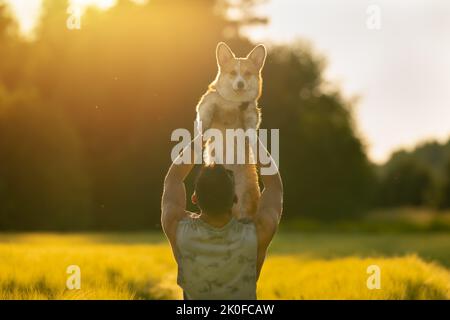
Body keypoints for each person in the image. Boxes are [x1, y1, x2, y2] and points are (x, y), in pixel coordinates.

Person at [161, 136, 283, 299]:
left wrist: (203, 135)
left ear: (195, 198)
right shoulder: (257, 233)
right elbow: (274, 185)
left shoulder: (177, 228)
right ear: (235, 198)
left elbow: (174, 179)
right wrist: (250, 136)